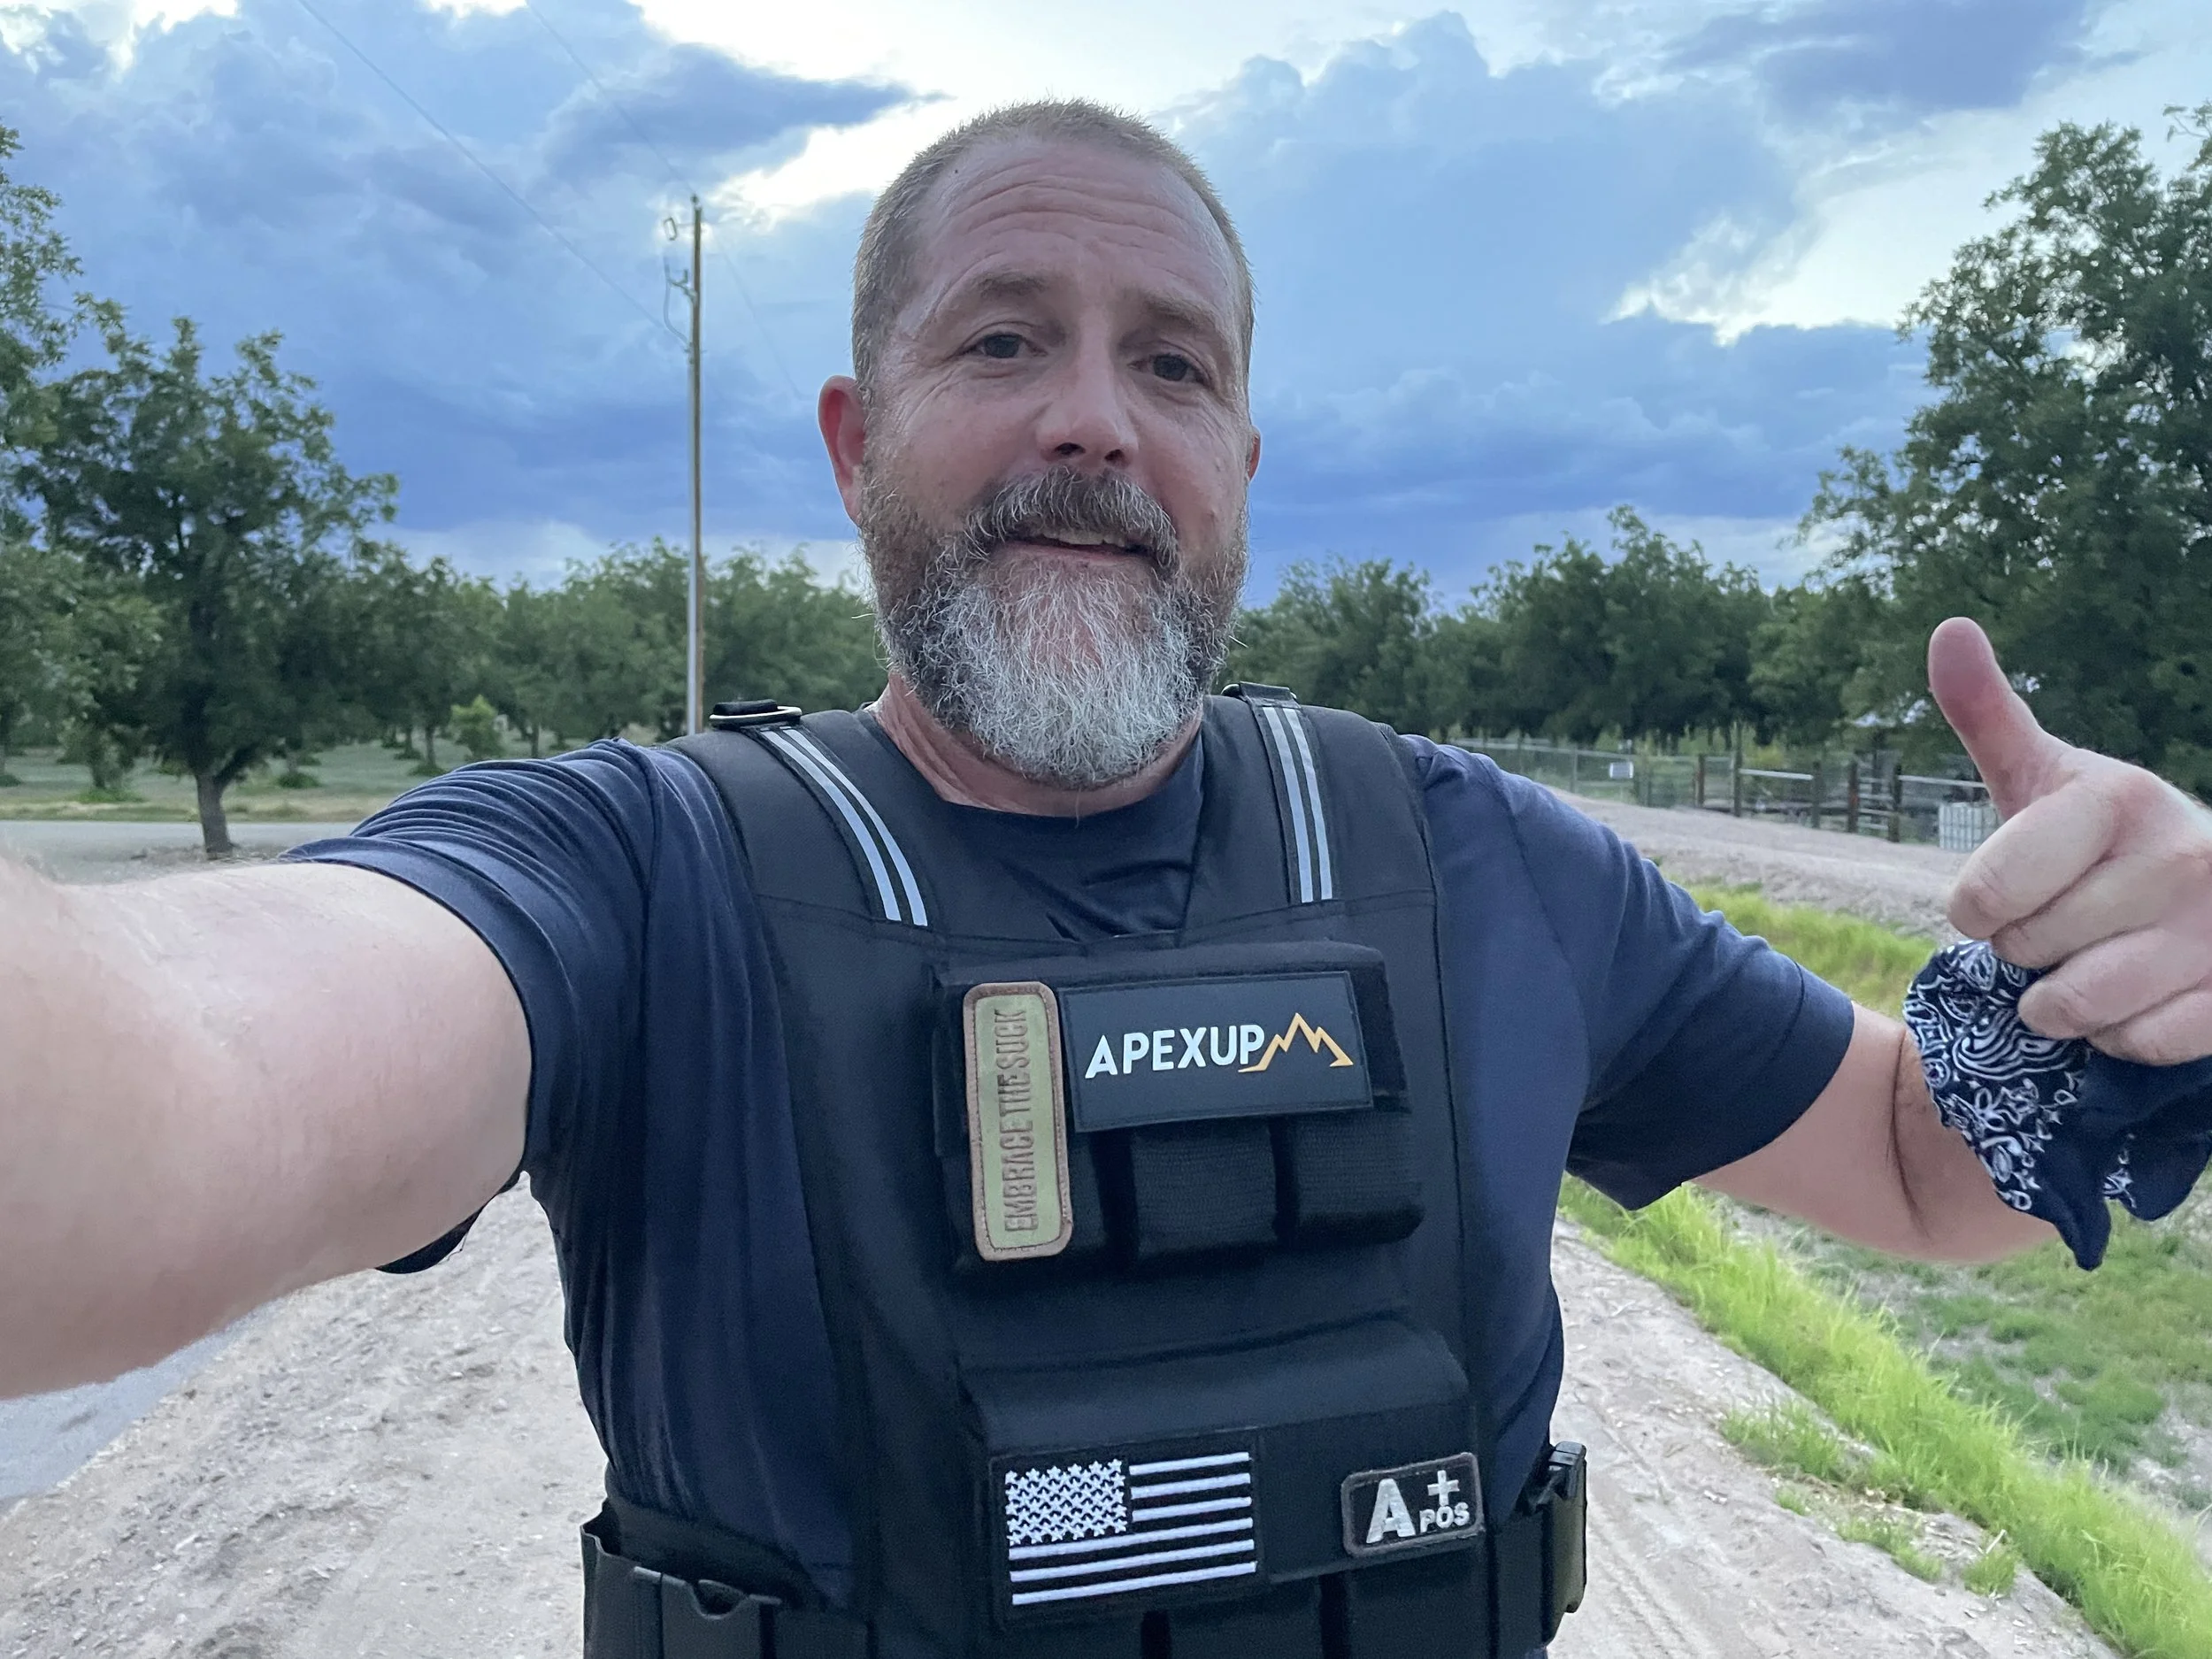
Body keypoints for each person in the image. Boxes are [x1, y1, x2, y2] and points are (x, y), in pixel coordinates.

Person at [4, 100, 2210, 1659]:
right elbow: (169, 1104)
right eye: (998, 340)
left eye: (1171, 363)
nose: (1092, 418)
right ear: (854, 441)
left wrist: (2122, 981)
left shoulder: (1471, 861)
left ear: (1238, 464)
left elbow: (1930, 1174)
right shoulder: (630, 883)